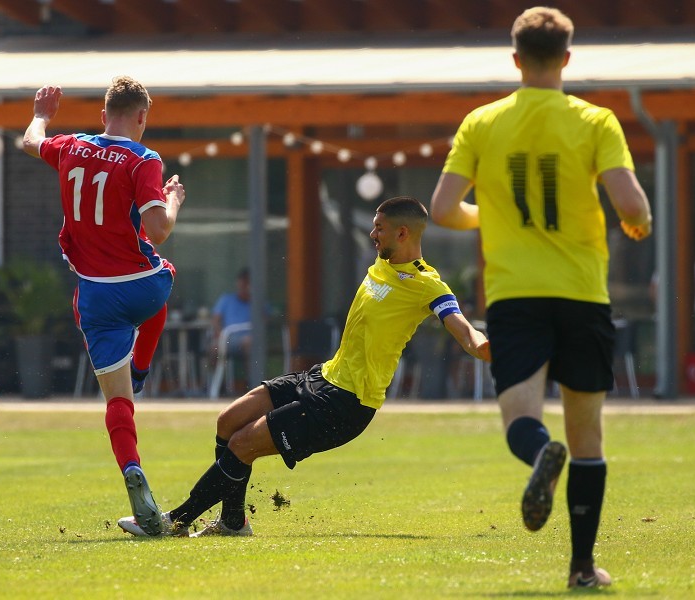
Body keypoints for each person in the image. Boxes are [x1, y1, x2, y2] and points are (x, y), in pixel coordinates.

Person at [429, 7, 653, 589]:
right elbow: (631, 205)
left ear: (516, 59)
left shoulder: (482, 123)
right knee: (588, 436)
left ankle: (539, 456)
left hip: (516, 296)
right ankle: (582, 568)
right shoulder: (596, 121)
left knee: (520, 417)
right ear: (567, 58)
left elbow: (444, 208)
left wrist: (489, 214)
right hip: (582, 293)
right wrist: (640, 221)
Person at [118, 196, 491, 538]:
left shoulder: (428, 285)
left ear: (403, 233)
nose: (372, 234)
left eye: (379, 227)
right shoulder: (382, 262)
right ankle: (233, 521)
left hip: (346, 403)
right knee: (228, 422)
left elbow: (464, 331)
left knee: (243, 444)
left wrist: (488, 348)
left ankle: (173, 522)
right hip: (321, 376)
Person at [22, 76, 186, 536]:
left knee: (117, 401)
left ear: (102, 116)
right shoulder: (144, 159)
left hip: (94, 296)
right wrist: (172, 199)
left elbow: (31, 141)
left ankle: (132, 469)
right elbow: (159, 230)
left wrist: (42, 114)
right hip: (141, 286)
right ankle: (142, 368)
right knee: (165, 272)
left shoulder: (72, 146)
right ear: (142, 117)